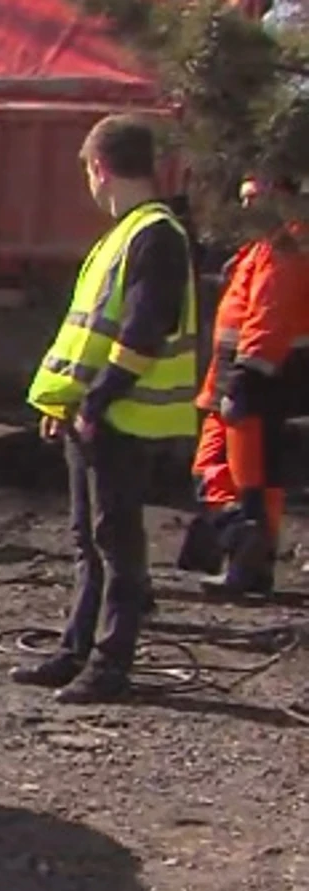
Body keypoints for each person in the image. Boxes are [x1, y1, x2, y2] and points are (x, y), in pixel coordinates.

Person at [17, 114, 199, 704]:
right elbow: (89, 334)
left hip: (123, 416)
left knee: (116, 543)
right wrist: (66, 402)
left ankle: (110, 663)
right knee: (87, 541)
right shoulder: (123, 235)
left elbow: (145, 331)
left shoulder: (155, 235)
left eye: (88, 174)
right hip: (95, 414)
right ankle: (77, 650)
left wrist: (95, 401)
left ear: (100, 168)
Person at [175, 173, 308, 597]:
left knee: (231, 475)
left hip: (250, 381)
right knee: (255, 478)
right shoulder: (268, 244)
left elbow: (268, 318)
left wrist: (243, 380)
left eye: (256, 198)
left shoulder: (283, 247)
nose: (247, 208)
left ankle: (243, 552)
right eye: (244, 198)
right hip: (249, 379)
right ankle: (251, 563)